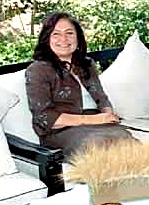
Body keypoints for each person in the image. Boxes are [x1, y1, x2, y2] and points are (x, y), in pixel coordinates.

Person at [25, 12, 132, 158]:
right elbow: (44, 118)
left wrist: (108, 114)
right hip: (62, 131)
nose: (64, 39)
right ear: (47, 38)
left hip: (97, 124)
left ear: (78, 38)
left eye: (69, 33)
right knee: (96, 146)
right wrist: (96, 119)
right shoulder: (38, 70)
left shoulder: (86, 64)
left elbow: (101, 97)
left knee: (128, 141)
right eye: (56, 34)